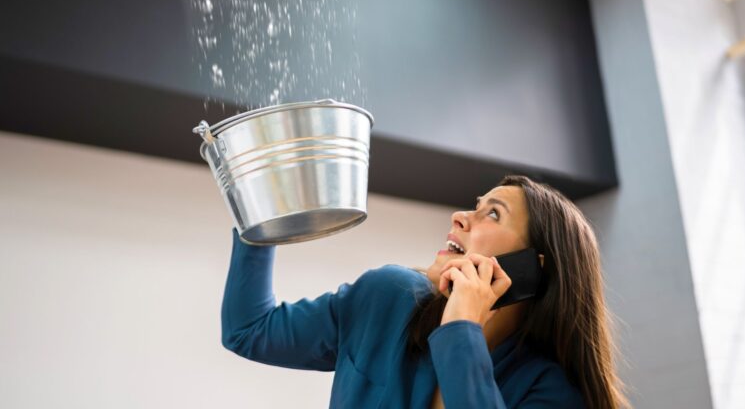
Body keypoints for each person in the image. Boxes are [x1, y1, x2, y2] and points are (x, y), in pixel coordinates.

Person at [221, 175, 630, 408]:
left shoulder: (552, 393)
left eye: (492, 213)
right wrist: (256, 216)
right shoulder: (387, 297)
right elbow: (249, 329)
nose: (460, 216)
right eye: (475, 204)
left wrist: (462, 331)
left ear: (530, 267)